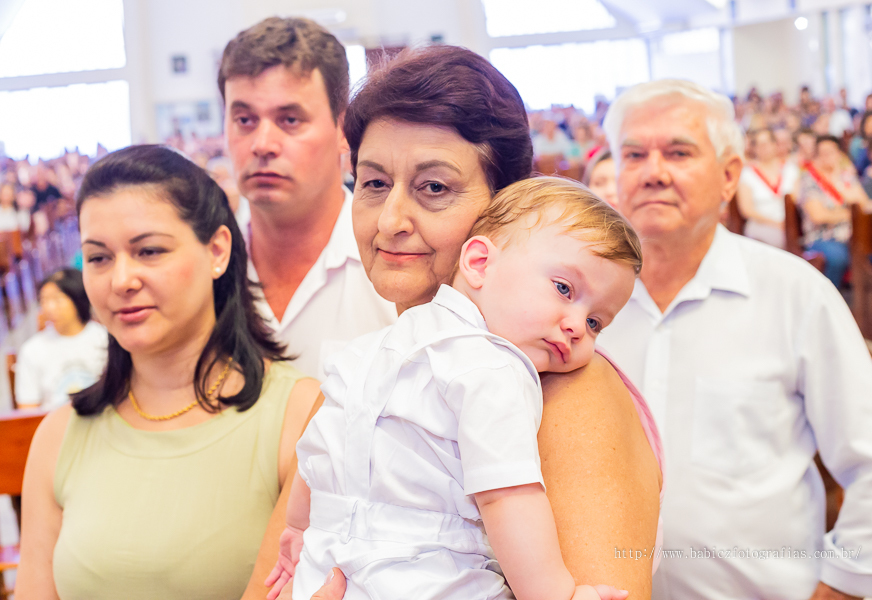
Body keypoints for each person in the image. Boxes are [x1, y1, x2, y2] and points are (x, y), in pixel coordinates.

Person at [256, 45, 663, 600]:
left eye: (435, 188)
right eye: (374, 183)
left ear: (505, 207)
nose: (391, 221)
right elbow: (277, 569)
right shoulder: (368, 368)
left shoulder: (566, 388)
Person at [269, 178, 642, 600]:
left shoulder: (365, 351)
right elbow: (506, 497)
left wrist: (297, 529)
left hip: (322, 569)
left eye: (595, 322)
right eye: (563, 289)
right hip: (429, 578)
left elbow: (315, 453)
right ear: (479, 263)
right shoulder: (494, 365)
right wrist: (558, 596)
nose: (576, 326)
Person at [599, 78, 872, 600]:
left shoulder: (793, 293)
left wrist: (842, 585)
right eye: (634, 155)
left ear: (728, 176)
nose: (654, 172)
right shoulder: (583, 303)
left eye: (678, 153)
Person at [17, 145, 322, 600]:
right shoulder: (60, 435)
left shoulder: (297, 416)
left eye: (149, 251)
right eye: (98, 258)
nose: (121, 280)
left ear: (217, 250)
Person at [218, 17, 395, 381]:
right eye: (245, 120)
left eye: (290, 119)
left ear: (343, 130)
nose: (262, 145)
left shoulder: (394, 268)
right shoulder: (204, 267)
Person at [15, 268, 108, 409]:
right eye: (44, 300)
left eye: (57, 299)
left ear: (77, 299)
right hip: (53, 421)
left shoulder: (105, 339)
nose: (49, 308)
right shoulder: (32, 350)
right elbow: (28, 409)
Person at [795, 134, 869, 287]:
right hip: (823, 237)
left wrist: (839, 185)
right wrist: (849, 213)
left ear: (839, 154)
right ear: (816, 156)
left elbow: (864, 205)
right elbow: (818, 216)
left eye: (831, 152)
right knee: (838, 257)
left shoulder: (846, 177)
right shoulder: (809, 179)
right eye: (823, 153)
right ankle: (831, 294)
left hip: (853, 235)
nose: (827, 157)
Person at [736, 128, 800, 247]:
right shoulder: (747, 173)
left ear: (775, 144)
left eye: (766, 143)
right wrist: (776, 224)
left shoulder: (790, 169)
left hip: (790, 225)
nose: (763, 148)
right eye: (759, 144)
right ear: (754, 148)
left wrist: (788, 224)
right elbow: (747, 210)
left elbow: (796, 201)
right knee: (774, 239)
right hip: (761, 225)